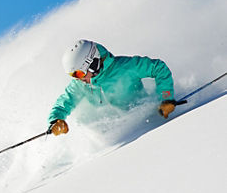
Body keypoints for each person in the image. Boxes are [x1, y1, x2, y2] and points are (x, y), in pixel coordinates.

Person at [48, 39, 177, 136]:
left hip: (149, 124)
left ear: (93, 63)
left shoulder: (125, 67)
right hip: (118, 135)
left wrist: (166, 98)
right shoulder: (81, 84)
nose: (78, 79)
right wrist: (56, 120)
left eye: (79, 73)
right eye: (73, 75)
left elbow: (158, 68)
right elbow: (65, 101)